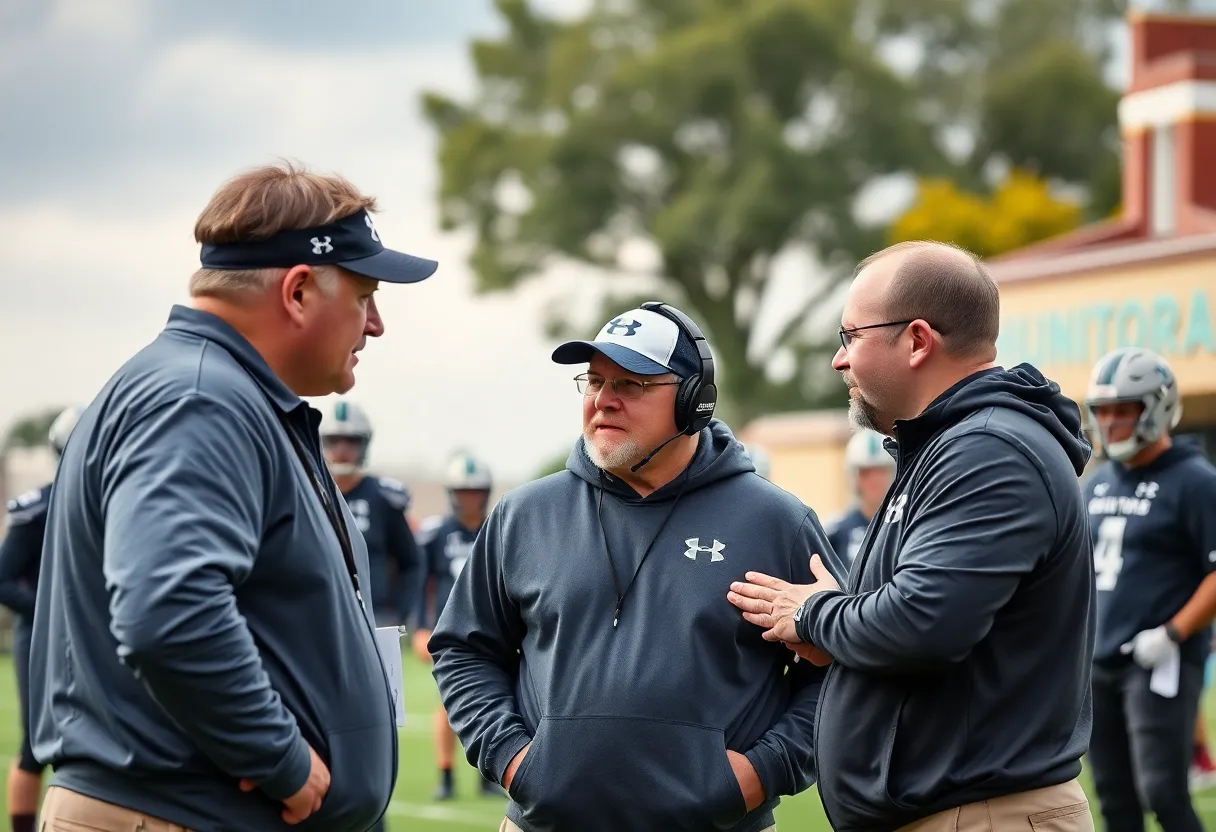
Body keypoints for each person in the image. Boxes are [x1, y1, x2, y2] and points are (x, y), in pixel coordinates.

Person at [28, 161, 438, 832]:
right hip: (177, 815)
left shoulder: (216, 392)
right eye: (364, 295)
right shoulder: (198, 400)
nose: (376, 325)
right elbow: (168, 611)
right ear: (300, 291)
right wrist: (280, 758)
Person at [429, 302, 844, 832]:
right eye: (595, 382)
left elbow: (837, 671)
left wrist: (761, 772)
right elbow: (463, 649)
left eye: (631, 384)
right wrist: (515, 762)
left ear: (694, 402)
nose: (604, 401)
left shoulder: (776, 522)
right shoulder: (523, 515)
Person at [728, 240, 1096, 831]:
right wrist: (843, 635)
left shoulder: (987, 451)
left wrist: (816, 612)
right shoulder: (951, 446)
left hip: (982, 818)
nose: (838, 361)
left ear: (918, 340)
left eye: (851, 337)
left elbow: (924, 624)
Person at [1081, 346, 1216, 832]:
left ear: (1156, 407)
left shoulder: (1195, 481)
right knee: (1115, 801)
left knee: (1163, 792)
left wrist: (1174, 633)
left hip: (1161, 659)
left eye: (1125, 408)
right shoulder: (1095, 484)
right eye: (1103, 410)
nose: (1111, 421)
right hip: (1098, 661)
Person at [0, 406, 81, 832]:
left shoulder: (108, 502)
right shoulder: (38, 510)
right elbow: (3, 581)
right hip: (42, 638)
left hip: (90, 640)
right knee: (34, 747)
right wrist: (55, 607)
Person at [409, 451, 499, 801]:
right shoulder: (436, 533)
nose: (469, 498)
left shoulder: (499, 526)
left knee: (497, 698)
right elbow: (420, 581)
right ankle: (446, 775)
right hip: (449, 630)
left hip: (491, 627)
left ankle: (487, 774)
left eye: (475, 491)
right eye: (462, 491)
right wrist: (420, 626)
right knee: (447, 703)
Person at [320, 397, 423, 630]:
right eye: (334, 441)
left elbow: (411, 562)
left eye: (351, 441)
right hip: (322, 615)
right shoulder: (309, 491)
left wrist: (399, 613)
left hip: (376, 617)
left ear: (364, 444)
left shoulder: (385, 498)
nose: (342, 450)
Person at [824, 428, 895, 565]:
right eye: (865, 473)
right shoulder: (835, 532)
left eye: (880, 471)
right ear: (853, 477)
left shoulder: (906, 526)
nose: (874, 480)